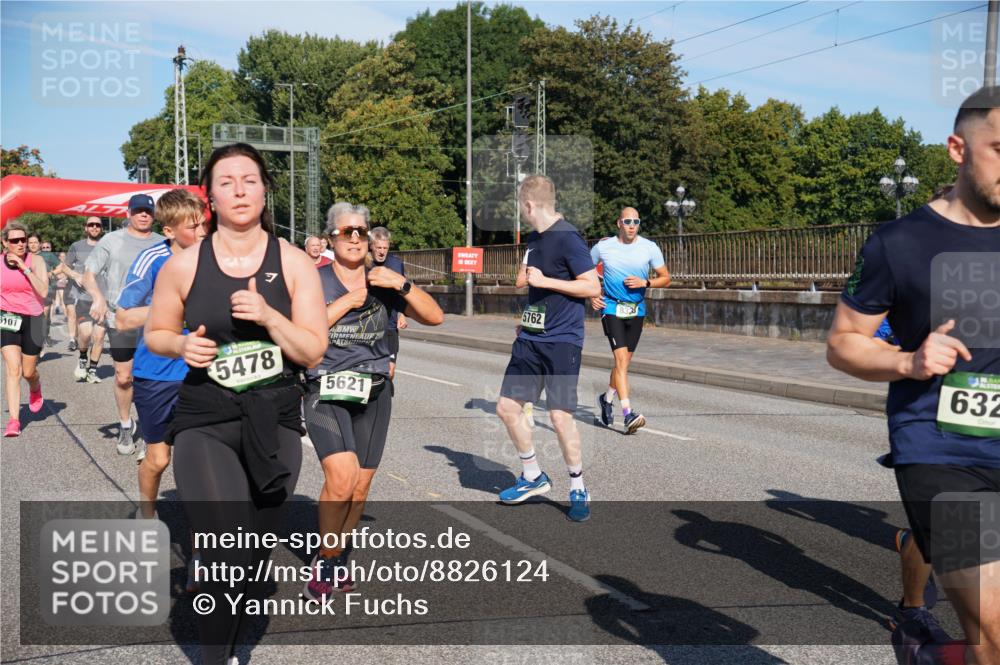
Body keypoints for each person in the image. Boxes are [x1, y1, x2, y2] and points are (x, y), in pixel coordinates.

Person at [826, 86, 1000, 664]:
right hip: (942, 451)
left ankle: (929, 656)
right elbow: (844, 343)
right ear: (958, 149)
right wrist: (908, 361)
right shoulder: (898, 244)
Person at [145, 142, 326, 665]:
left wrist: (271, 317)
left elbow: (312, 348)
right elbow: (156, 332)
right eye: (227, 182)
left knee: (249, 556)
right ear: (210, 198)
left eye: (249, 179)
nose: (240, 189)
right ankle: (215, 656)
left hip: (275, 420)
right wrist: (181, 344)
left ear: (266, 189)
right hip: (205, 417)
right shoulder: (183, 265)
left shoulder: (292, 263)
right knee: (225, 548)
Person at [302, 202, 443, 600]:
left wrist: (402, 285)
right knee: (342, 479)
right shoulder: (314, 280)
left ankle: (336, 555)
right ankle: (324, 562)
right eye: (346, 231)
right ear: (331, 238)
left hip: (375, 391)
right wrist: (348, 301)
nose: (354, 238)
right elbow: (301, 329)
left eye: (360, 232)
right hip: (324, 389)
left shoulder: (385, 280)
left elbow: (435, 318)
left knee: (360, 488)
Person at [494, 175, 601, 522]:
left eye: (520, 207)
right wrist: (529, 312)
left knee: (559, 416)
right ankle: (532, 476)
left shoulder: (568, 237)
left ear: (529, 205)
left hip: (562, 341)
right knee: (507, 408)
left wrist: (545, 281)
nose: (520, 213)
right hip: (531, 337)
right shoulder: (535, 239)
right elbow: (531, 285)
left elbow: (590, 286)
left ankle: (578, 486)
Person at [116, 189, 207, 592]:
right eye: (194, 226)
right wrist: (174, 309)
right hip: (157, 374)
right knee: (158, 457)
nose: (203, 231)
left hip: (203, 374)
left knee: (201, 464)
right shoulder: (153, 259)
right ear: (169, 230)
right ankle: (148, 514)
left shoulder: (217, 257)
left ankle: (201, 555)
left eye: (205, 223)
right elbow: (122, 317)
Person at [83, 196, 165, 455]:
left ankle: (152, 433)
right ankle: (126, 425)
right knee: (123, 377)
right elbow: (89, 274)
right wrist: (98, 297)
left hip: (157, 319)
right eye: (139, 211)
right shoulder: (111, 240)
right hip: (121, 318)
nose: (144, 215)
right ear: (129, 213)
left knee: (151, 379)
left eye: (148, 212)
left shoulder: (164, 242)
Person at [591, 207, 670, 434]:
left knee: (623, 362)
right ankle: (628, 414)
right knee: (621, 362)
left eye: (636, 220)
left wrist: (645, 283)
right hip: (612, 307)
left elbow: (666, 278)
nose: (632, 225)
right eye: (627, 221)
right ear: (619, 223)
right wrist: (592, 295)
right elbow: (583, 271)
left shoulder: (649, 247)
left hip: (636, 311)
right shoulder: (603, 247)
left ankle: (607, 399)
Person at [1, 222, 49, 437]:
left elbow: (44, 291)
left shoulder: (36, 260)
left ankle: (35, 387)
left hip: (34, 318)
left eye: (23, 239)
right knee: (14, 369)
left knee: (29, 372)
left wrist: (24, 266)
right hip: (7, 318)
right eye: (14, 241)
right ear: (4, 243)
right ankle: (13, 421)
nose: (20, 244)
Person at [63, 217, 105, 367]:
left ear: (102, 228)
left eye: (97, 225)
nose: (94, 227)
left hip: (104, 300)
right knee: (86, 334)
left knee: (99, 336)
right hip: (84, 298)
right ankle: (82, 356)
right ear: (85, 228)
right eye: (91, 225)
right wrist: (76, 275)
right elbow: (65, 267)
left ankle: (92, 370)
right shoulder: (76, 246)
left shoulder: (109, 245)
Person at [369, 226, 408, 380]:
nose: (382, 251)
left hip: (390, 325)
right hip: (367, 326)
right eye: (378, 247)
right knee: (370, 371)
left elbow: (402, 292)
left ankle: (384, 397)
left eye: (385, 247)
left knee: (389, 371)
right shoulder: (362, 264)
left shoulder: (396, 264)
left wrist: (402, 313)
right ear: (371, 246)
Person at [27, 233, 61, 347]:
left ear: (40, 244)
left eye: (35, 242)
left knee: (43, 316)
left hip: (46, 290)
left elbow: (61, 267)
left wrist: (51, 273)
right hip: (28, 292)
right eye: (30, 242)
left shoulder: (48, 255)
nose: (33, 245)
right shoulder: (24, 256)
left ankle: (42, 337)